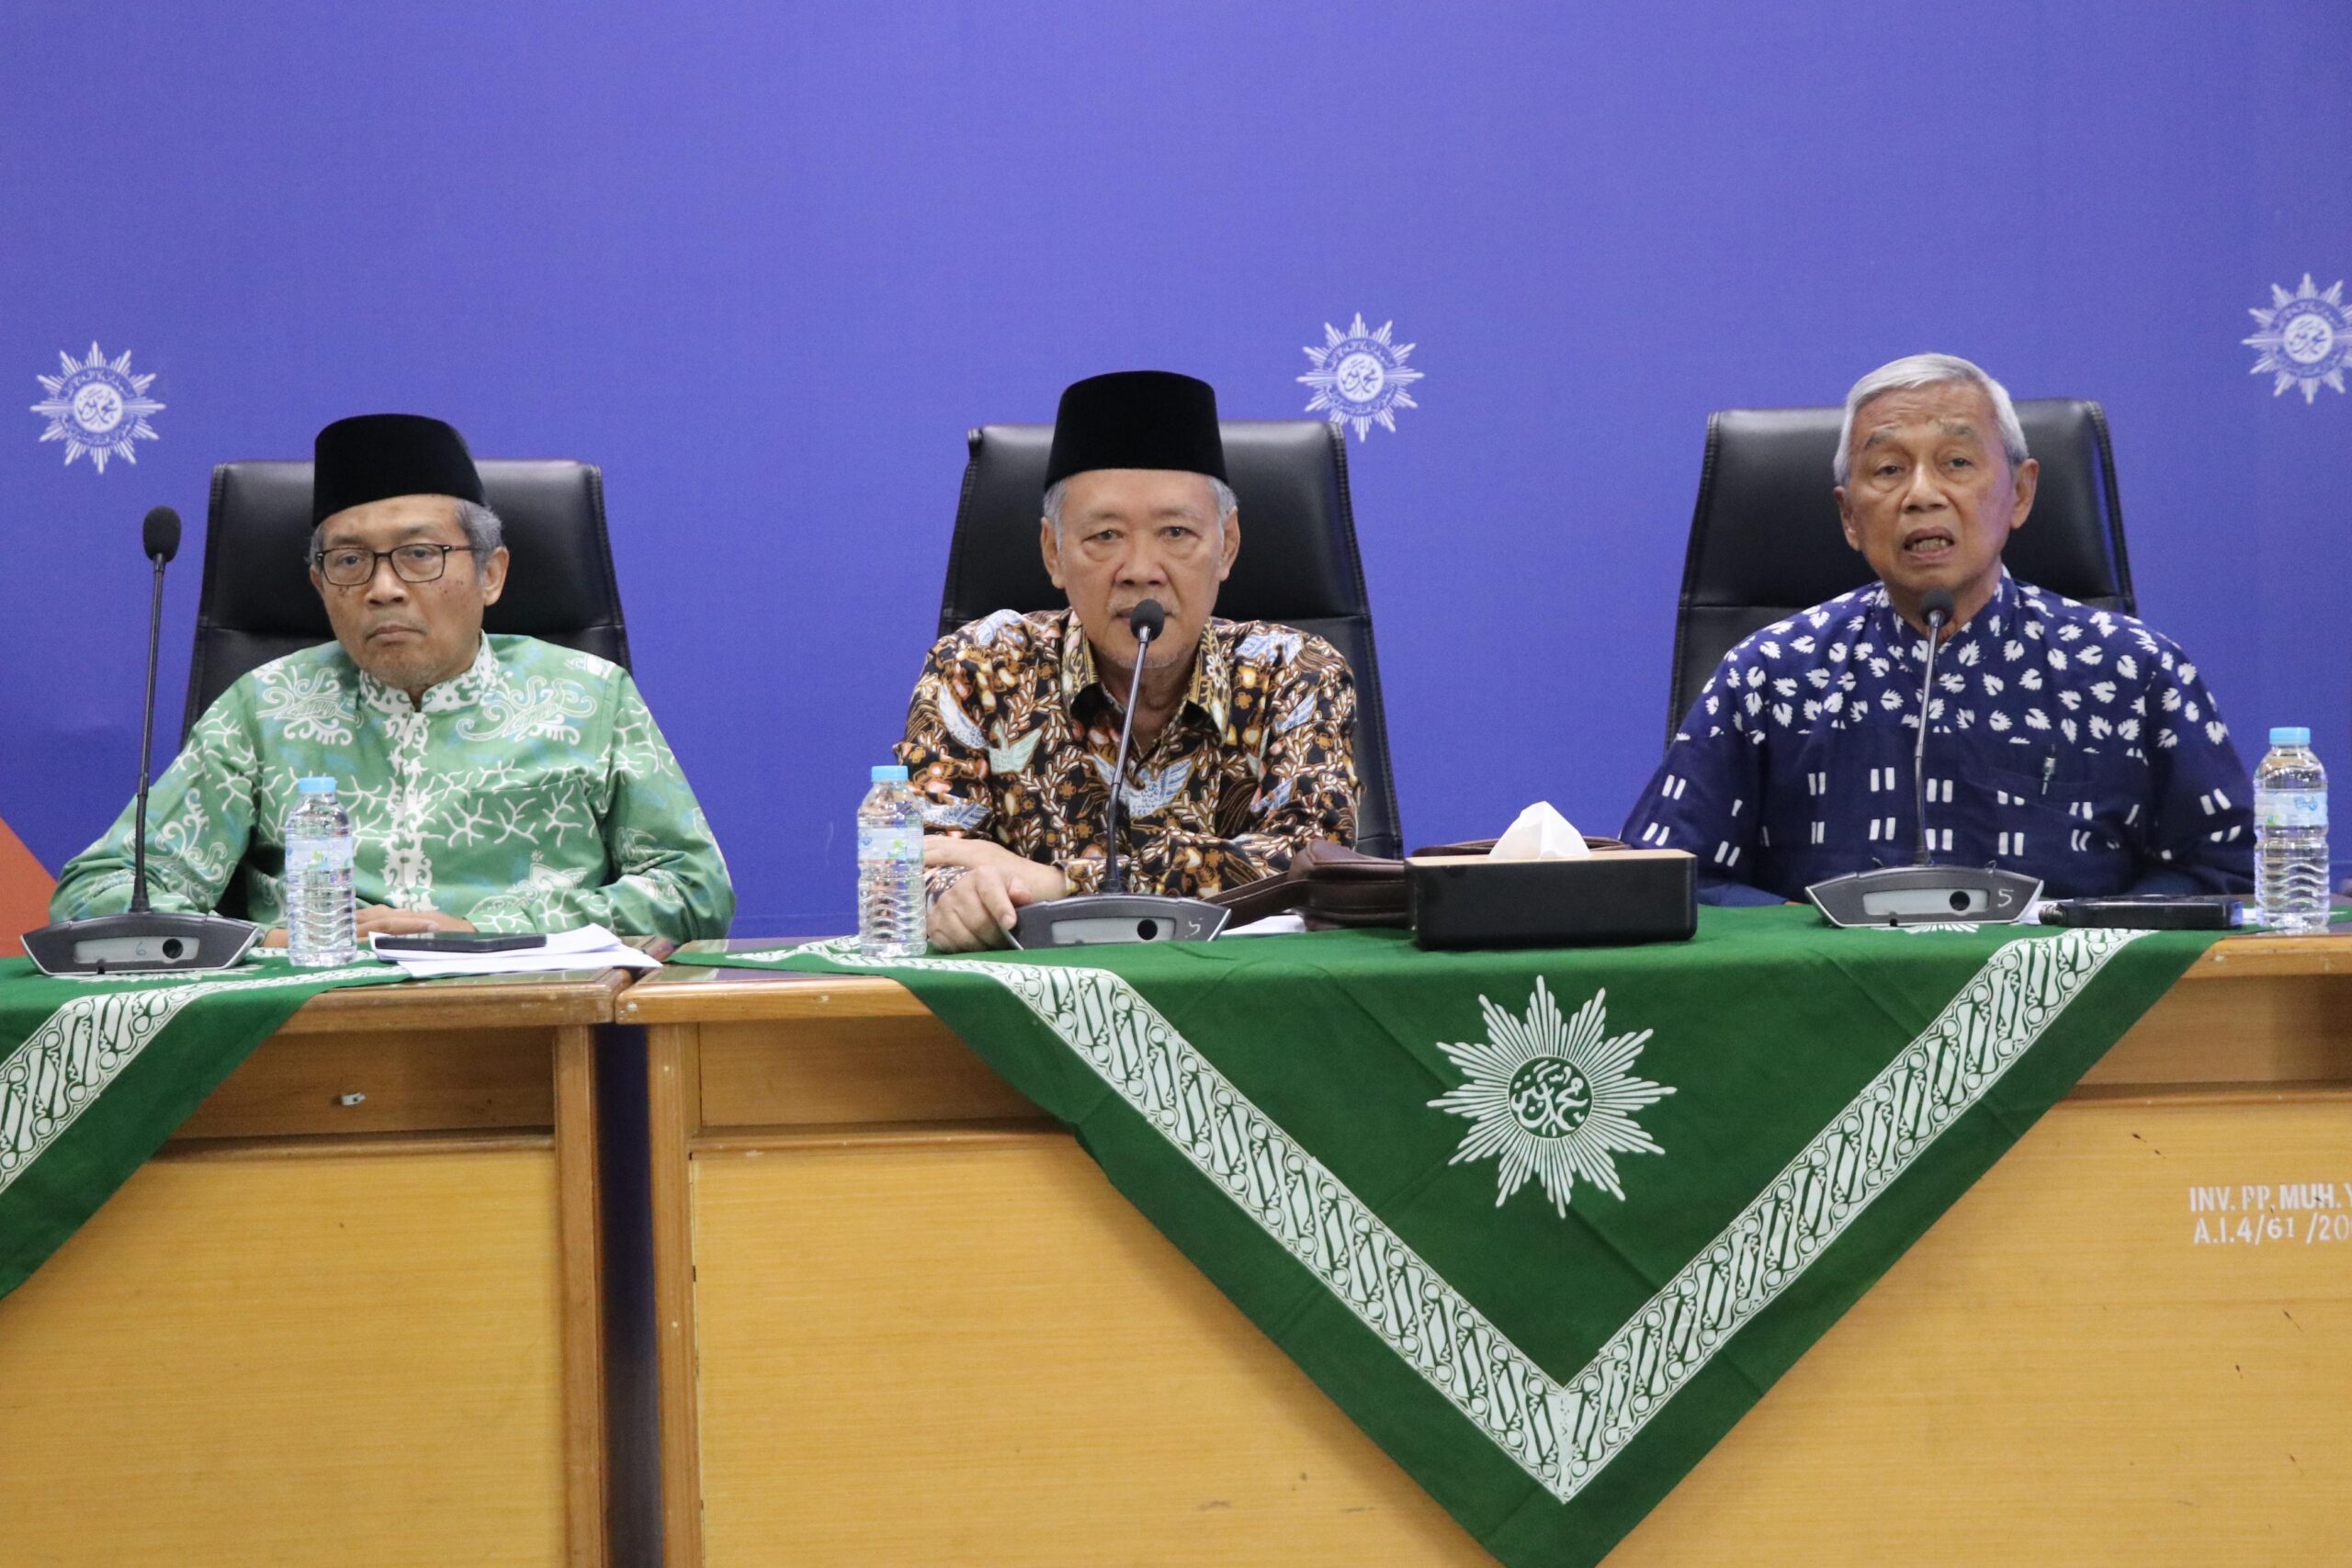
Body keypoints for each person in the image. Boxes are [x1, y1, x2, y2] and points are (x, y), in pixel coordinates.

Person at [50, 413, 733, 942]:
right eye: (349, 562)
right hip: (299, 1030)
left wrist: (483, 932)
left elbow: (696, 890)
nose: (383, 588)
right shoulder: (264, 710)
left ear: (490, 574)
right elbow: (99, 894)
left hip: (533, 1025)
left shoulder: (589, 695)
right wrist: (274, 942)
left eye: (419, 555)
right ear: (319, 584)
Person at [1623, 353, 2254, 905]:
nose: (1922, 494)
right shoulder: (1769, 675)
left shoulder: (2132, 670)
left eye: (1956, 461)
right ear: (1848, 515)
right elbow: (1669, 876)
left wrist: (2087, 937)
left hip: (2073, 1021)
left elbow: (2229, 868)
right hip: (1827, 1018)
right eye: (1889, 470)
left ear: (2022, 493)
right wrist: (1814, 937)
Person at [900, 370, 1358, 951]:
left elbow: (1311, 863)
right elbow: (925, 859)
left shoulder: (1295, 674)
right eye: (1106, 536)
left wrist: (1066, 883)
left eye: (1175, 532)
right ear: (1054, 553)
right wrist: (955, 901)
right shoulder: (979, 670)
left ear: (1229, 546)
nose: (1141, 568)